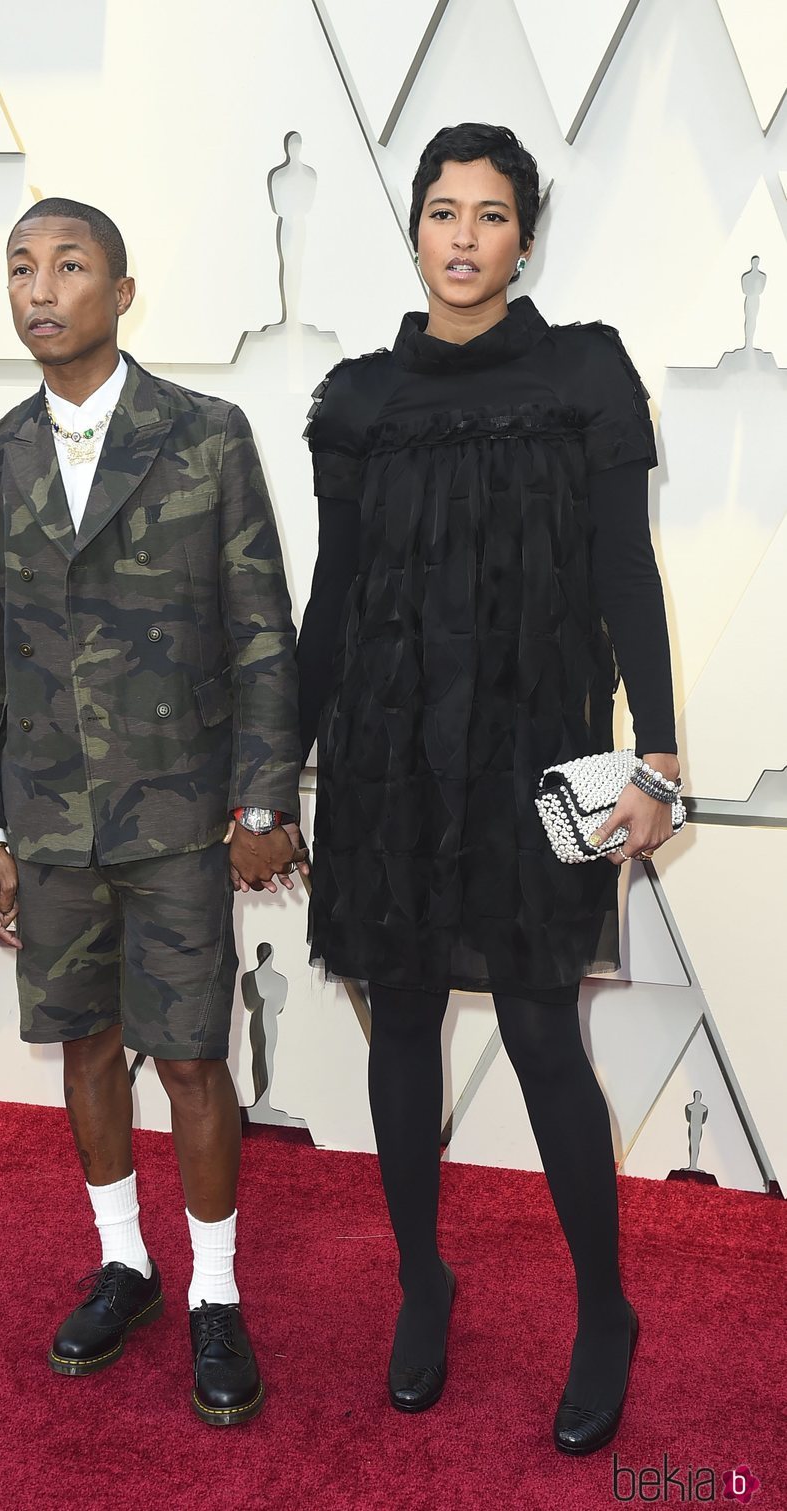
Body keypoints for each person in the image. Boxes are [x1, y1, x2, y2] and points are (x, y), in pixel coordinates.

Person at [297, 125, 681, 1454]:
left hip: (532, 755)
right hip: (387, 755)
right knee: (397, 1018)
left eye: (493, 215)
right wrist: (266, 773)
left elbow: (625, 571)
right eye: (443, 212)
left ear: (529, 234)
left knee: (537, 1029)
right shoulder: (357, 402)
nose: (464, 238)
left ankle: (607, 1310)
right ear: (413, 226)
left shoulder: (583, 375)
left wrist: (664, 754)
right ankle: (423, 1281)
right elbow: (333, 600)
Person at [0, 196, 304, 1425]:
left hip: (180, 812)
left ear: (122, 288)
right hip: (46, 820)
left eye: (69, 264)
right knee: (87, 1045)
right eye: (20, 268)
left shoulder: (205, 436)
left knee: (195, 1055)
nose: (40, 287)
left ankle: (213, 1290)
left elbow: (263, 629)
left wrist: (266, 793)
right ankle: (126, 1263)